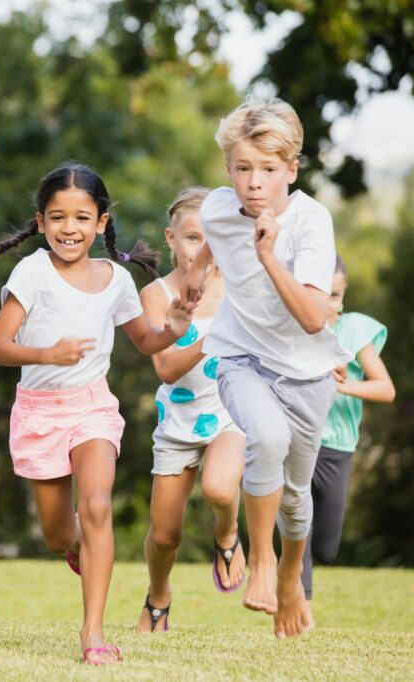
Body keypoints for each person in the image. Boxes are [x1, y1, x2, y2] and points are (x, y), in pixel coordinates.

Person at [0, 162, 194, 665]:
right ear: (41, 222)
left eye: (82, 218)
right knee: (59, 533)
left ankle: (93, 635)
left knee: (96, 508)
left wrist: (173, 327)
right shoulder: (33, 271)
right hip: (40, 413)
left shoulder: (115, 281)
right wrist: (47, 354)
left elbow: (146, 341)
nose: (70, 228)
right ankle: (75, 548)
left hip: (92, 408)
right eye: (59, 217)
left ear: (102, 223)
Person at [182, 97, 353, 639]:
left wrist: (269, 257)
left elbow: (311, 317)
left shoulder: (311, 223)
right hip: (240, 356)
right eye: (242, 168)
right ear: (228, 168)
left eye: (269, 169)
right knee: (267, 438)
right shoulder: (217, 206)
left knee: (296, 494)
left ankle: (289, 577)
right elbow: (213, 232)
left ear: (292, 169)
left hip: (307, 372)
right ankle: (260, 559)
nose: (254, 183)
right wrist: (197, 273)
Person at [135, 187, 246, 635]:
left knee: (220, 489)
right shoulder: (156, 295)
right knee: (165, 536)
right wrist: (211, 337)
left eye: (213, 238)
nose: (202, 250)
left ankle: (227, 534)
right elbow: (165, 369)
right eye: (193, 238)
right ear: (171, 238)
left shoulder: (240, 289)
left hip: (229, 413)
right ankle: (158, 597)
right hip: (177, 422)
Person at [301, 254, 395, 600]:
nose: (329, 304)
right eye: (322, 293)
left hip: (338, 450)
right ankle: (301, 605)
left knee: (326, 548)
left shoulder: (354, 329)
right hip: (299, 442)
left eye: (336, 295)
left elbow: (386, 389)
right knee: (299, 527)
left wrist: (338, 385)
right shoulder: (293, 328)